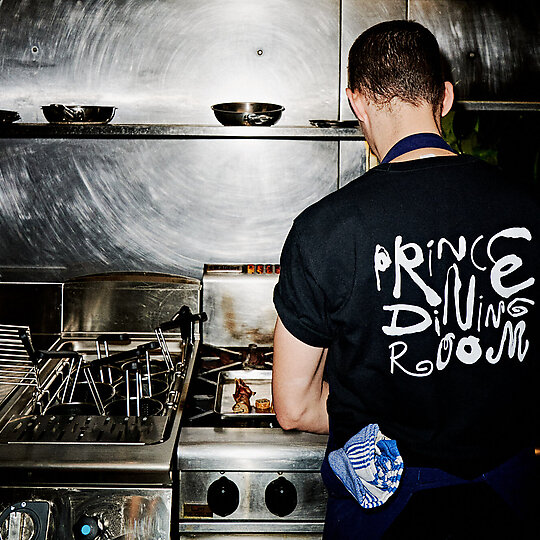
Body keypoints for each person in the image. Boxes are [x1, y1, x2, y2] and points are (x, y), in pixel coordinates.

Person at [272, 20, 538, 539]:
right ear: (445, 97)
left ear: (357, 101)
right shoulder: (530, 209)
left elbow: (293, 405)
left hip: (387, 514)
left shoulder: (325, 229)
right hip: (513, 503)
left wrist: (377, 420)